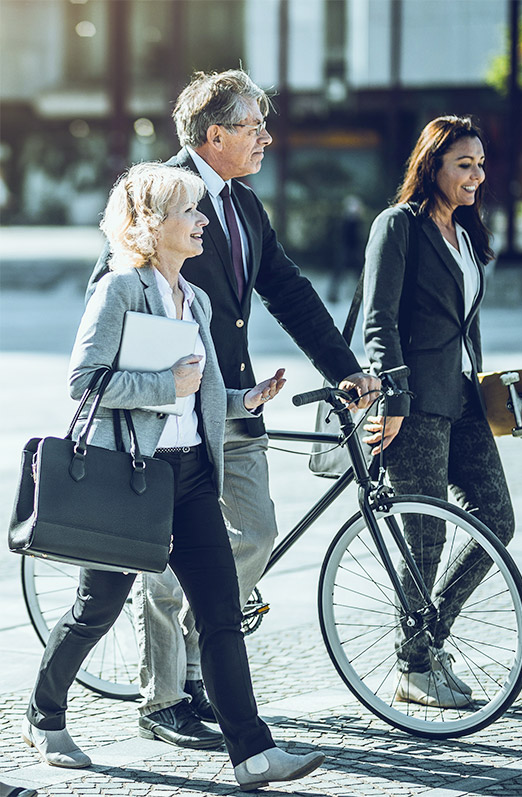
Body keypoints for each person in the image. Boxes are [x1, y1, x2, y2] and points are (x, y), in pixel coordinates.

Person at [88, 69, 379, 748]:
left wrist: (345, 369)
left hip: (236, 397)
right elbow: (117, 280)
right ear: (213, 134)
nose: (267, 138)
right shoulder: (158, 189)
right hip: (168, 406)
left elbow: (287, 287)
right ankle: (164, 697)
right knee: (164, 561)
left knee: (252, 535)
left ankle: (196, 662)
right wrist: (150, 383)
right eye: (254, 127)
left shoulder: (244, 203)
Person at [21, 162, 325, 792]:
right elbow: (85, 382)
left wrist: (246, 399)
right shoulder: (119, 289)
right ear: (151, 225)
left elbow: (204, 386)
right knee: (96, 607)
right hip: (129, 476)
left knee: (219, 611)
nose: (203, 220)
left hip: (189, 477)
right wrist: (165, 386)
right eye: (189, 211)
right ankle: (43, 715)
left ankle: (252, 754)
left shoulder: (199, 297)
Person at [361, 115, 515, 708]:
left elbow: (464, 320)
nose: (477, 175)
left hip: (463, 397)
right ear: (433, 166)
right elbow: (381, 320)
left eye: (480, 163)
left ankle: (424, 644)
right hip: (415, 403)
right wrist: (393, 400)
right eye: (464, 165)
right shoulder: (397, 226)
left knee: (496, 523)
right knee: (423, 537)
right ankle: (416, 665)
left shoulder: (468, 230)